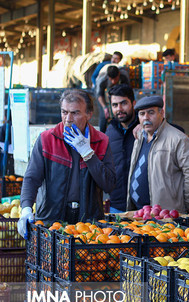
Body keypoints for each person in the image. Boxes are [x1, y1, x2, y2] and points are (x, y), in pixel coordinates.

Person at [17, 89, 116, 237]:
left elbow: (109, 184)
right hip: (51, 221)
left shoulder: (101, 141)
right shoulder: (46, 139)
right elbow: (32, 178)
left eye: (75, 113)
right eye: (64, 112)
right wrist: (26, 208)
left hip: (88, 225)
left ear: (89, 114)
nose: (68, 119)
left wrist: (88, 154)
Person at [126, 95, 189, 213]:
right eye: (142, 114)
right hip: (139, 213)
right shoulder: (140, 137)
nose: (146, 117)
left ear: (161, 113)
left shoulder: (178, 139)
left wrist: (186, 203)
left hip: (164, 216)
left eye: (151, 113)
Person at [105, 84, 140, 213]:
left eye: (123, 103)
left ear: (133, 103)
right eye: (115, 105)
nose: (119, 109)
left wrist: (145, 127)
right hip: (116, 205)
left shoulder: (145, 128)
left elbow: (175, 130)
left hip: (143, 207)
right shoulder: (109, 131)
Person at [95, 65, 130, 133]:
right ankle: (102, 135)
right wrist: (105, 108)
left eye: (115, 79)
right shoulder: (102, 79)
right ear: (108, 77)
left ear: (119, 74)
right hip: (102, 94)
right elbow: (99, 95)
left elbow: (128, 91)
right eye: (111, 79)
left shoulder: (124, 76)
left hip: (119, 92)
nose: (113, 81)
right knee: (104, 115)